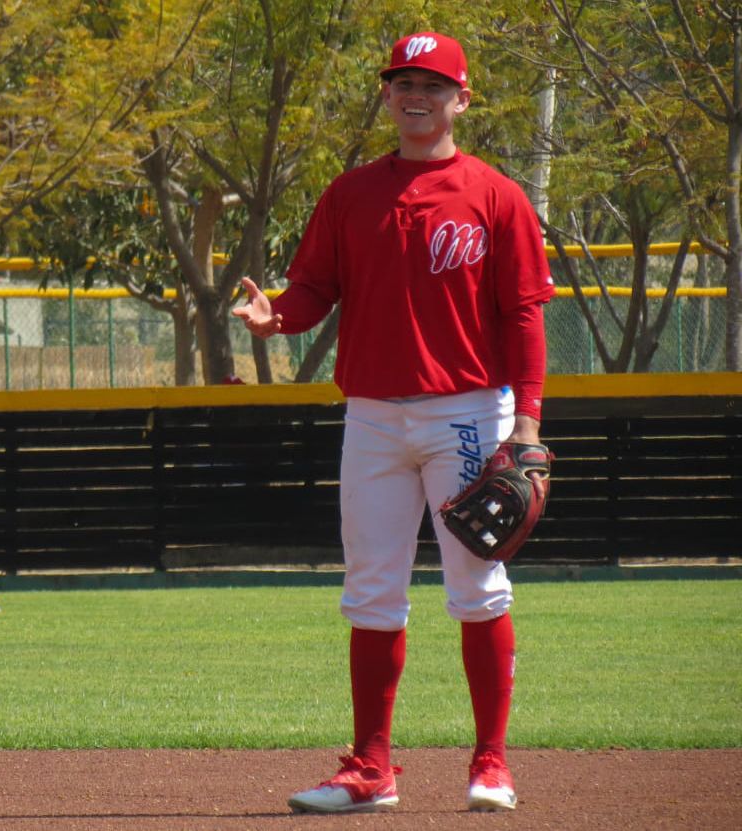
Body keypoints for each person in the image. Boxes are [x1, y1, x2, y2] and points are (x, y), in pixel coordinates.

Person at [234, 32, 552, 814]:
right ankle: (371, 768)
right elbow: (314, 290)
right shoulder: (349, 195)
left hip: (470, 408)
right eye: (404, 80)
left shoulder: (496, 195)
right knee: (371, 590)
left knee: (478, 584)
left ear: (461, 99)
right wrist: (276, 318)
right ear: (386, 96)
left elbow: (523, 315)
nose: (416, 93)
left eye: (433, 83)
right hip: (371, 414)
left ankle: (492, 762)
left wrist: (529, 423)